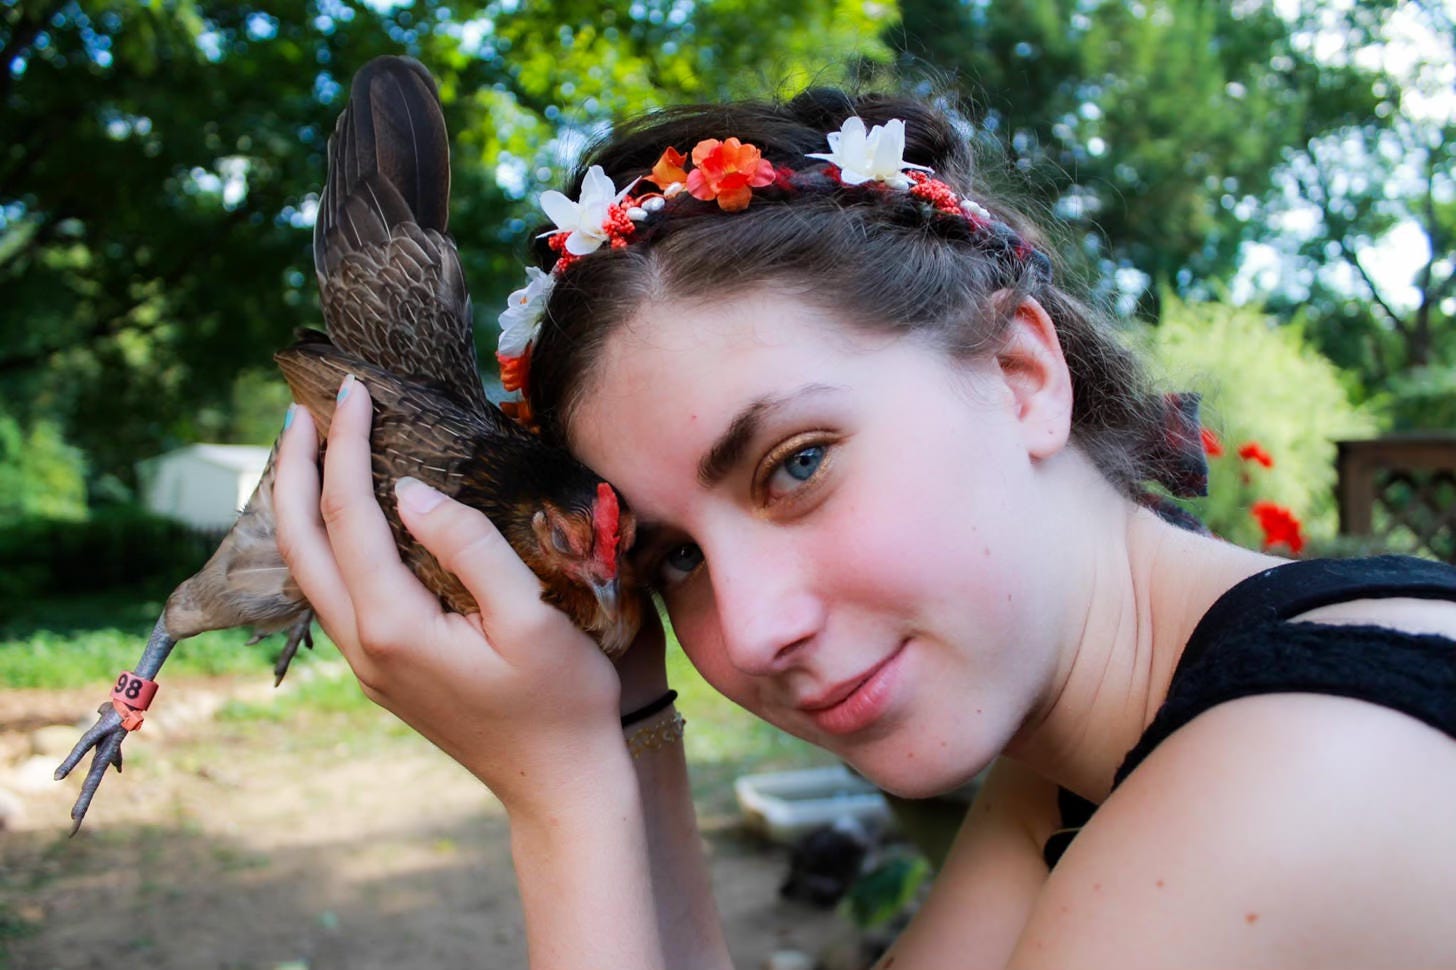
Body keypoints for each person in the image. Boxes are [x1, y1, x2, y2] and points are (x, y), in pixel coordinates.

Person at [272, 88, 1456, 969]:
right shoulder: (1092, 755)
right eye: (674, 554)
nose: (752, 629)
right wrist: (625, 722)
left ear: (1019, 373)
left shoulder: (1285, 786)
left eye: (795, 465)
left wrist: (562, 800)